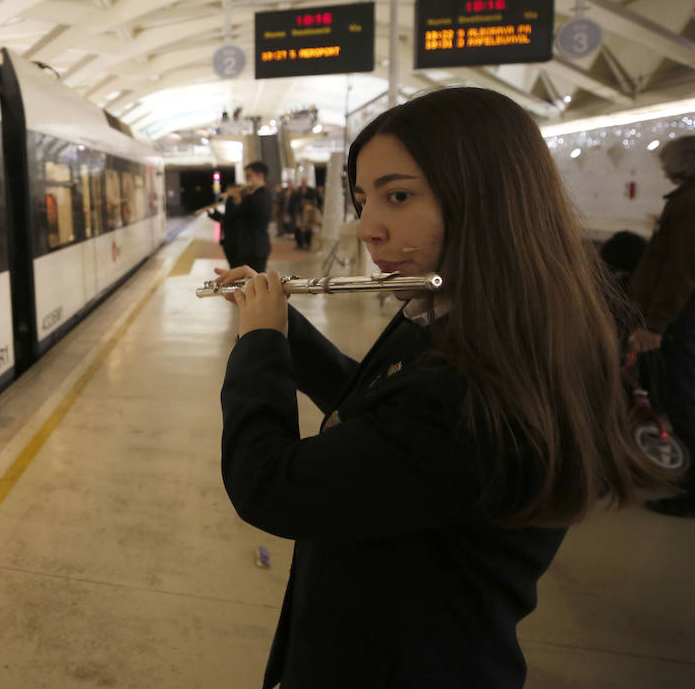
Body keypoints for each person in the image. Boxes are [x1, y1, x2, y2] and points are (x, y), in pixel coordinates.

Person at [212, 87, 663, 688]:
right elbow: (378, 413)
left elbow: (268, 485)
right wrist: (287, 326)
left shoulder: (478, 379)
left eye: (398, 196)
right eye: (363, 199)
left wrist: (258, 347)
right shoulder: (462, 317)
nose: (369, 229)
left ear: (488, 200)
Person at [627, 135, 695, 519]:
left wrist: (656, 323)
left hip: (686, 318)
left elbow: (682, 270)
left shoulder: (692, 203)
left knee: (688, 402)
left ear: (682, 164)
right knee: (691, 399)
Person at [236, 161, 272, 273]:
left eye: (249, 175)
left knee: (253, 282)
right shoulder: (261, 194)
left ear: (260, 176)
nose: (247, 179)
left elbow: (244, 215)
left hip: (254, 247)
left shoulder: (258, 196)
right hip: (256, 246)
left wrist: (240, 199)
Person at [206, 184, 245, 268]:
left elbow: (228, 218)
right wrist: (212, 213)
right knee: (232, 264)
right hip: (228, 239)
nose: (227, 192)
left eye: (229, 190)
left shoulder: (241, 203)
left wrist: (215, 211)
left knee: (237, 265)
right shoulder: (230, 201)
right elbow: (225, 219)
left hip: (237, 240)